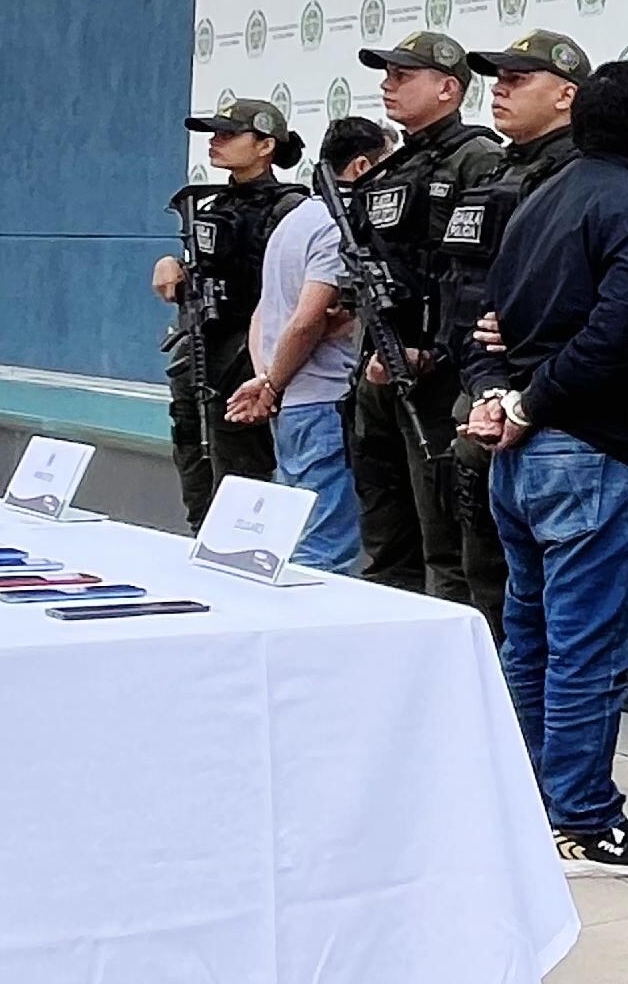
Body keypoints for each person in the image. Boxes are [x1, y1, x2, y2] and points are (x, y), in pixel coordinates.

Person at [464, 58, 628, 875]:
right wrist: (527, 404)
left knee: (531, 640)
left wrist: (500, 400)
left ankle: (529, 804)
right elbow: (611, 333)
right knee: (588, 649)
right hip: (593, 455)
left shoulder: (536, 201)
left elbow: (491, 330)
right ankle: (585, 819)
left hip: (523, 461)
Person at [436, 34, 591, 636]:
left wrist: (506, 392)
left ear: (566, 95)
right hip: (480, 390)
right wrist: (483, 385)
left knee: (538, 602)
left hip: (542, 407)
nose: (500, 89)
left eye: (519, 79)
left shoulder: (578, 177)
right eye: (498, 78)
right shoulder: (497, 169)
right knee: (480, 574)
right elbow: (463, 289)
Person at [346, 31, 504, 596]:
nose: (388, 86)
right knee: (386, 535)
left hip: (439, 375)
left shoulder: (478, 159)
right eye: (387, 75)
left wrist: (432, 352)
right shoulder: (389, 170)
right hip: (380, 367)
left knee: (447, 540)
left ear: (448, 88)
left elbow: (477, 277)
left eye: (403, 75)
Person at [226, 114, 392, 574]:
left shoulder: (295, 219)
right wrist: (272, 385)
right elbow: (307, 318)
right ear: (361, 167)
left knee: (296, 540)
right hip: (321, 403)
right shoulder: (337, 225)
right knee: (325, 552)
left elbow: (264, 315)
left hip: (294, 405)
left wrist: (266, 380)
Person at [159, 99, 306, 527]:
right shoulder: (212, 205)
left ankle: (238, 544)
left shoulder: (291, 207)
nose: (215, 142)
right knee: (192, 452)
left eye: (228, 134)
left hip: (251, 351)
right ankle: (200, 536)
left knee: (240, 465)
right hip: (204, 344)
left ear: (265, 145)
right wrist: (174, 268)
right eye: (214, 134)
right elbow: (206, 271)